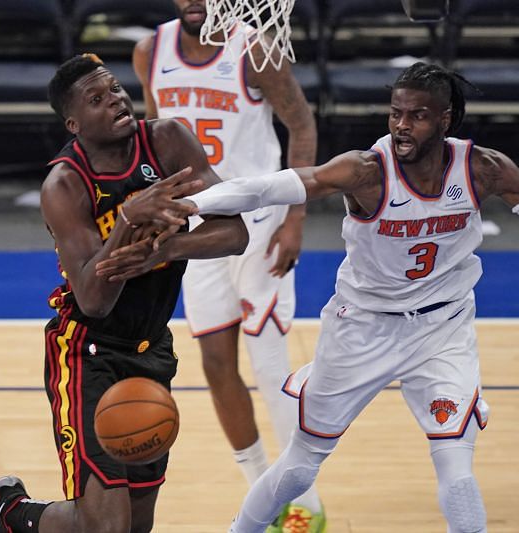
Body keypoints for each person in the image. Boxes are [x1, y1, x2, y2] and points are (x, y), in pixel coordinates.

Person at [97, 62, 519, 532]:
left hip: (443, 328)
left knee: (456, 469)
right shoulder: (366, 171)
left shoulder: (484, 169)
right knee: (301, 467)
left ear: (448, 119)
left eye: (417, 116)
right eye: (395, 113)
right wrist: (191, 204)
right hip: (362, 328)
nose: (401, 126)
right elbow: (268, 187)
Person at [0, 53, 251, 533]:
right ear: (74, 122)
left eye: (114, 89)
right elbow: (93, 299)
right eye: (96, 98)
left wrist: (161, 249)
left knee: (135, 525)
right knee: (107, 526)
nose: (115, 100)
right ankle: (17, 516)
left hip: (152, 348)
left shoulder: (168, 140)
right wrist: (129, 220)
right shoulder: (65, 185)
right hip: (87, 352)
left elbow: (234, 234)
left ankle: (15, 520)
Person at [132, 1, 324, 530]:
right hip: (198, 227)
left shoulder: (253, 52)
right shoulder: (151, 52)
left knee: (268, 364)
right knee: (216, 363)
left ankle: (305, 501)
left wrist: (295, 218)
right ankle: (263, 494)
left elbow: (302, 126)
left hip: (260, 219)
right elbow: (155, 136)